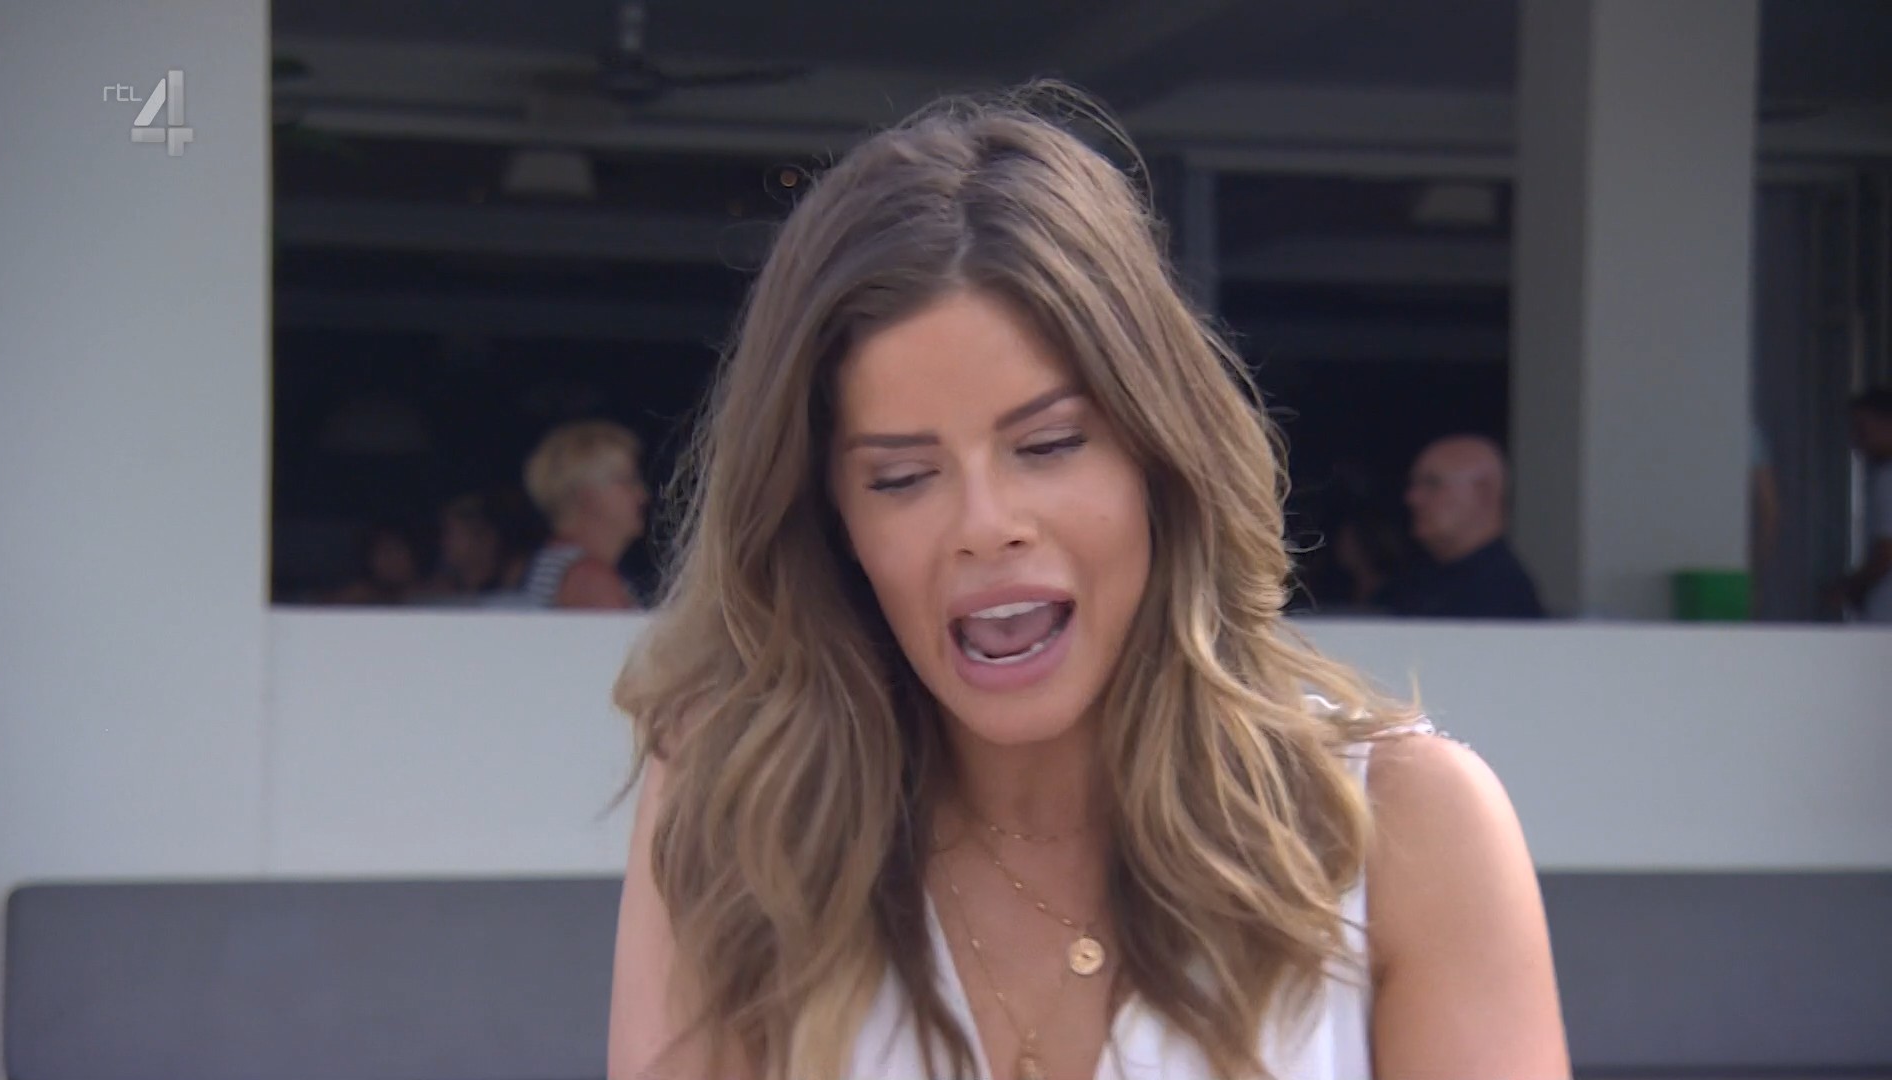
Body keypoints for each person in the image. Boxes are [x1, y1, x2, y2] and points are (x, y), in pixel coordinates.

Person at [607, 86, 1567, 1080]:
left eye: (1050, 444)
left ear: (1159, 453)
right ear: (832, 522)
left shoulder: (1404, 833)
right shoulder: (742, 812)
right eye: (902, 477)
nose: (985, 525)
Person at [1382, 435, 1546, 619]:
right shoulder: (1415, 582)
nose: (1413, 499)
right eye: (1414, 485)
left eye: (1432, 483)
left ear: (1483, 491)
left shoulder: (1500, 594)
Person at [520, 420, 649, 610]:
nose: (642, 495)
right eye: (627, 481)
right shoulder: (589, 579)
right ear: (587, 495)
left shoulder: (558, 563)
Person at [1832, 387, 1892, 623]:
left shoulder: (1887, 479)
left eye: (1862, 429)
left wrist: (1850, 587)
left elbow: (1886, 552)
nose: (1856, 440)